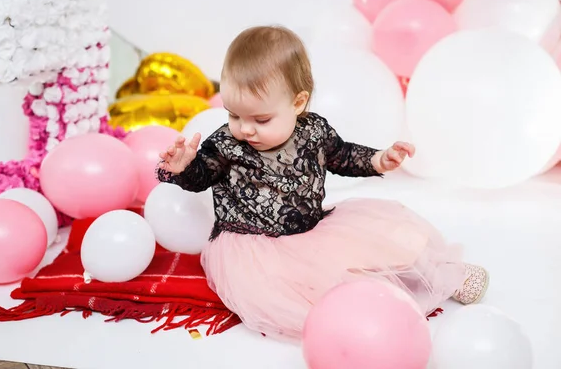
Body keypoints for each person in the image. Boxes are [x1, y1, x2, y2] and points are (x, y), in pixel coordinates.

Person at [156, 25, 489, 342]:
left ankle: (442, 276)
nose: (245, 129)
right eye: (234, 114)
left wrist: (377, 159)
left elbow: (341, 155)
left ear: (298, 103)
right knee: (293, 291)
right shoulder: (227, 143)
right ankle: (361, 314)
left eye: (260, 119)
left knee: (383, 242)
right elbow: (202, 175)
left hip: (313, 232)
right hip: (251, 246)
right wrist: (184, 167)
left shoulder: (313, 131)